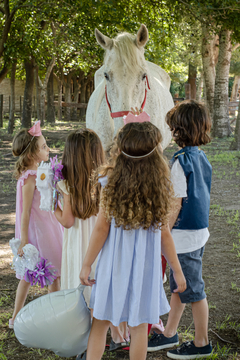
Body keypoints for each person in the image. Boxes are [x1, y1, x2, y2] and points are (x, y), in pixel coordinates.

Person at [79, 120, 186, 360]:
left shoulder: (110, 184)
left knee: (100, 325)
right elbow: (165, 235)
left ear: (120, 151)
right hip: (144, 270)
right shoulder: (160, 187)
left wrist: (87, 264)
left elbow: (100, 230)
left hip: (113, 268)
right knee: (139, 329)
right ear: (155, 155)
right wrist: (177, 271)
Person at [147, 100, 213, 359]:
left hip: (183, 236)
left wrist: (161, 230)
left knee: (194, 292)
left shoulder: (180, 161)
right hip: (198, 231)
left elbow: (174, 205)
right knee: (181, 286)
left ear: (179, 130)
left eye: (173, 128)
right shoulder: (201, 157)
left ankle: (201, 343)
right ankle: (169, 333)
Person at [9, 121, 63, 329]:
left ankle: (55, 315)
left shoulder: (41, 172)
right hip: (40, 231)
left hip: (50, 227)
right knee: (30, 275)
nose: (48, 149)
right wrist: (24, 239)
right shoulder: (30, 178)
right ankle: (15, 316)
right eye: (43, 147)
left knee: (52, 275)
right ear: (31, 155)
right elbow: (24, 213)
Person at [54, 128, 105, 305]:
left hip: (78, 248)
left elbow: (67, 221)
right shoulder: (104, 182)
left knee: (79, 297)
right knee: (98, 295)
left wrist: (53, 208)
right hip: (100, 245)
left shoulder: (67, 186)